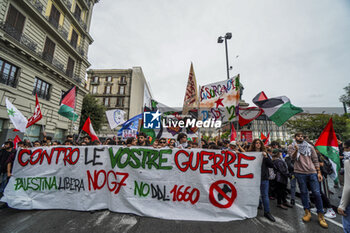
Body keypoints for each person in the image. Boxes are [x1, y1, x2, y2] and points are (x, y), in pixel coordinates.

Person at [288, 132, 328, 228]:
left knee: (317, 193)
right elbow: (292, 158)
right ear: (295, 137)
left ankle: (321, 215)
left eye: (302, 136)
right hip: (300, 173)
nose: (300, 137)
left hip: (312, 172)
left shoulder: (309, 146)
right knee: (304, 193)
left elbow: (315, 159)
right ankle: (307, 212)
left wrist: (318, 172)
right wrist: (296, 151)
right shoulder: (291, 146)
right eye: (298, 136)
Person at [249, 138, 275, 222]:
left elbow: (271, 165)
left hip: (263, 177)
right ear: (254, 144)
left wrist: (266, 157)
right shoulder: (250, 154)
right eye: (256, 143)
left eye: (259, 143)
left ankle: (267, 212)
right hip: (253, 178)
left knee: (264, 195)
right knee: (253, 194)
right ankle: (254, 207)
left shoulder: (265, 154)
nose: (258, 144)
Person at [338, 140, 350, 233]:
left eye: (345, 148)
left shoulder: (348, 161)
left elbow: (348, 185)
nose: (344, 151)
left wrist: (342, 205)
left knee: (347, 224)